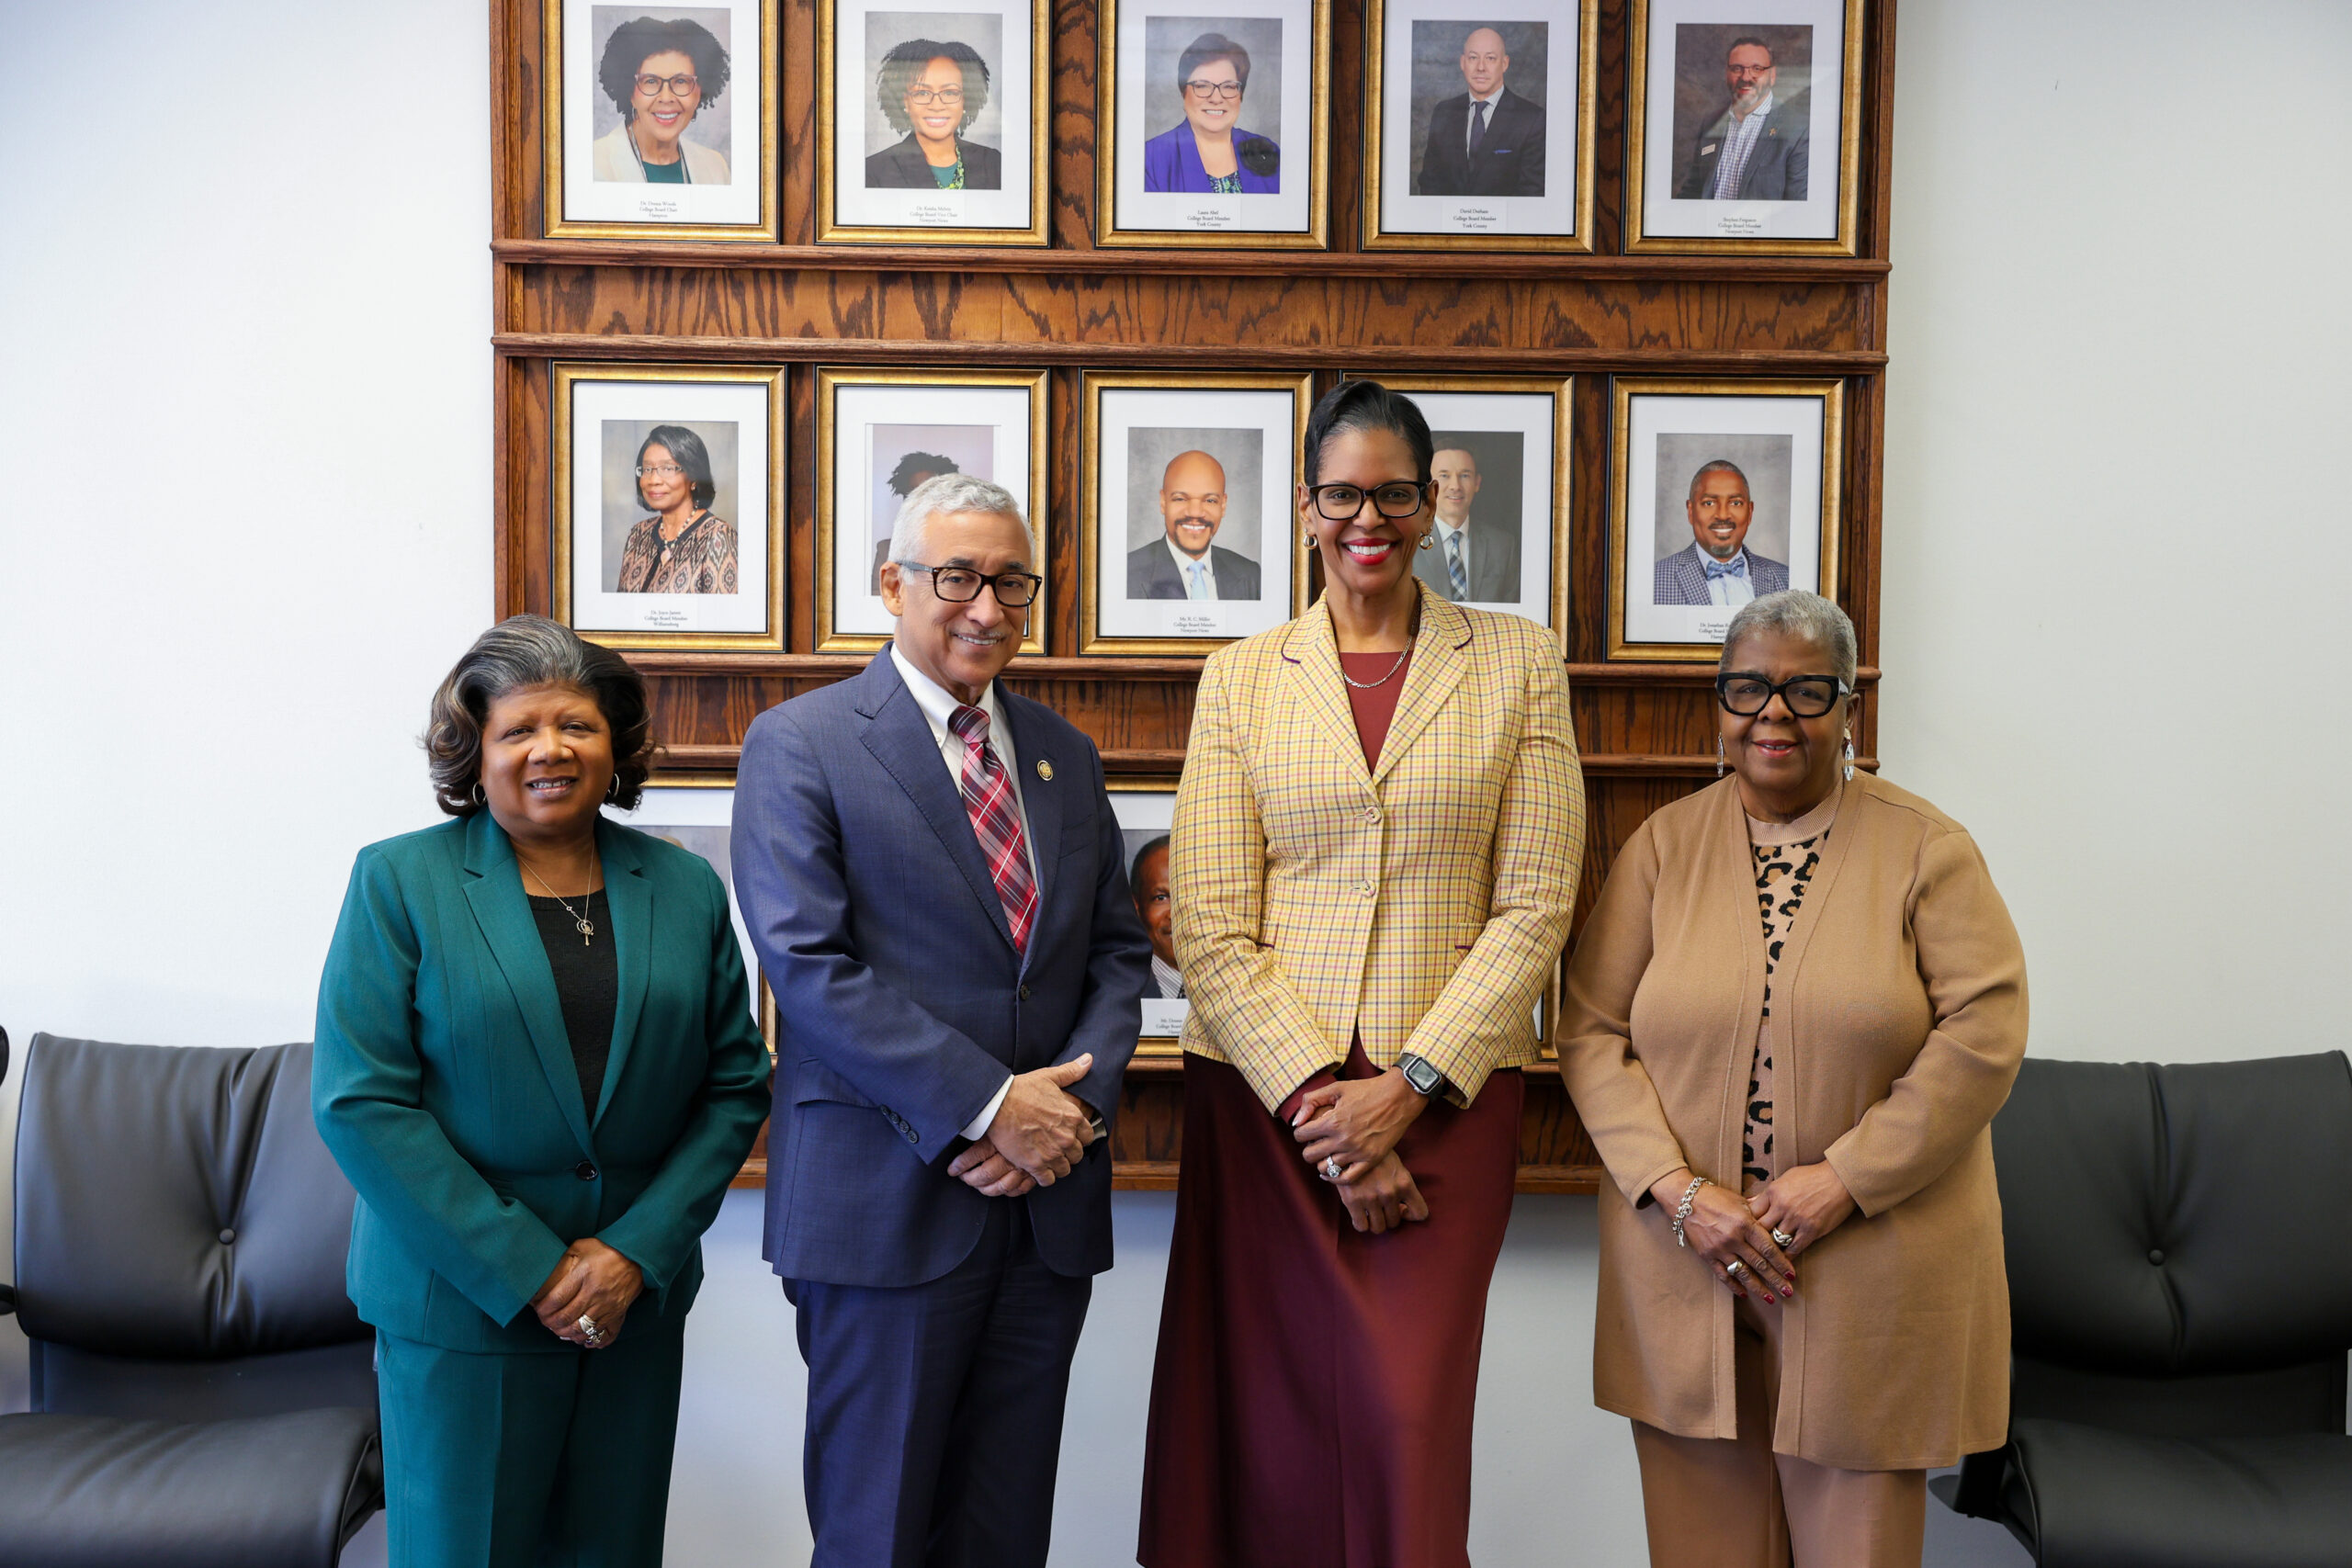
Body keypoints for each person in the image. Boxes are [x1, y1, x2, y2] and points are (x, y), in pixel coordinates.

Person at [1137, 381, 1583, 1568]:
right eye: (1344, 493)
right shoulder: (1239, 677)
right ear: (1306, 505)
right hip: (1270, 1110)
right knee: (1268, 1436)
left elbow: (1536, 902)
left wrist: (1408, 1085)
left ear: (1430, 505)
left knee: (1404, 1425)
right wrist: (1324, 1111)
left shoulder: (1520, 663)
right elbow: (1215, 927)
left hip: (1441, 1108)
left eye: (1395, 491)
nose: (1368, 517)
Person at [1557, 592, 2028, 1568]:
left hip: (1870, 1277)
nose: (1774, 713)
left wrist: (1842, 1180)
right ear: (1718, 706)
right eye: (1749, 688)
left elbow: (1984, 1031)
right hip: (1685, 1270)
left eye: (1807, 690)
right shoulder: (1659, 850)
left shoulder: (1926, 850)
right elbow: (1590, 1032)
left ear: (1849, 708)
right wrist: (1681, 1194)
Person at [732, 473, 1152, 1568]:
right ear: (891, 584)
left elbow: (1113, 954)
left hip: (1043, 1210)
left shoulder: (1063, 751)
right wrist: (986, 1108)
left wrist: (1063, 1114)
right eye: (957, 576)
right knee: (879, 1535)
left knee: (1005, 1536)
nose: (987, 607)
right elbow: (808, 967)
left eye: (1011, 582)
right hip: (884, 1207)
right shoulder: (802, 743)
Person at [312, 615, 771, 1567]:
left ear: (617, 745)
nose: (550, 749)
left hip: (630, 1308)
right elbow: (361, 1100)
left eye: (577, 725)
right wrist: (538, 1269)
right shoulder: (399, 880)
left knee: (613, 1550)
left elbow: (735, 1085)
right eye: (519, 729)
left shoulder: (684, 887)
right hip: (461, 1307)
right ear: (473, 751)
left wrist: (629, 1258)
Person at [592, 16, 733, 185]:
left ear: (700, 90)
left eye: (681, 81)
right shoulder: (591, 166)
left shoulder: (716, 168)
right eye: (650, 81)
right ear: (629, 91)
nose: (666, 98)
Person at [1416, 27, 1546, 197]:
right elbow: (1430, 184)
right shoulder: (1444, 113)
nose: (1481, 67)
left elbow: (1533, 194)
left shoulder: (1531, 119)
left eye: (1490, 58)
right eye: (1473, 58)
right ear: (1463, 63)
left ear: (1504, 64)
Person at [1142, 34, 1280, 195]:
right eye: (1202, 86)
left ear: (1240, 94)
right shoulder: (1150, 159)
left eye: (1228, 86)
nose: (1216, 98)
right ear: (1183, 92)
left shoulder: (1268, 152)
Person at [1676, 36, 1808, 201]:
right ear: (1727, 73)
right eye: (1737, 69)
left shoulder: (1797, 130)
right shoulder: (1711, 123)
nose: (1746, 77)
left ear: (1772, 76)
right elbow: (1694, 190)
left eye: (1757, 68)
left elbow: (1797, 209)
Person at [615, 424, 738, 594]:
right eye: (647, 469)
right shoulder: (638, 535)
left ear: (694, 477)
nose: (653, 480)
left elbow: (725, 617)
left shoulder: (718, 536)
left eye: (667, 468)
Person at [1125, 449, 1262, 601]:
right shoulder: (1126, 574)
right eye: (1180, 499)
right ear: (1163, 502)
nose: (1195, 513)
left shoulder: (1251, 575)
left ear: (1223, 506)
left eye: (1210, 500)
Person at [866, 39, 1003, 191]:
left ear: (966, 100)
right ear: (905, 101)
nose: (936, 106)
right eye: (922, 93)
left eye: (950, 92)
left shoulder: (994, 163)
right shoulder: (873, 171)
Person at [1654, 458, 1788, 607]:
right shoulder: (1654, 581)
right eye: (1709, 503)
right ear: (1690, 511)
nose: (1723, 515)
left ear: (1750, 512)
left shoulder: (1786, 580)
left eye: (1735, 503)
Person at [1413, 444, 1521, 603]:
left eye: (1465, 475)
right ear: (1428, 485)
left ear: (1477, 483)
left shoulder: (1503, 546)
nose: (1455, 486)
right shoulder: (1409, 543)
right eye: (1444, 476)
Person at [871, 449, 960, 592]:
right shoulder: (886, 551)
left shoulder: (967, 549)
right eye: (912, 493)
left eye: (930, 492)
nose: (921, 501)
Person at [1127, 835, 1181, 999]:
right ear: (1136, 906)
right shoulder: (1120, 987)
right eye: (1161, 898)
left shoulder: (1235, 982)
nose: (1176, 914)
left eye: (1190, 895)